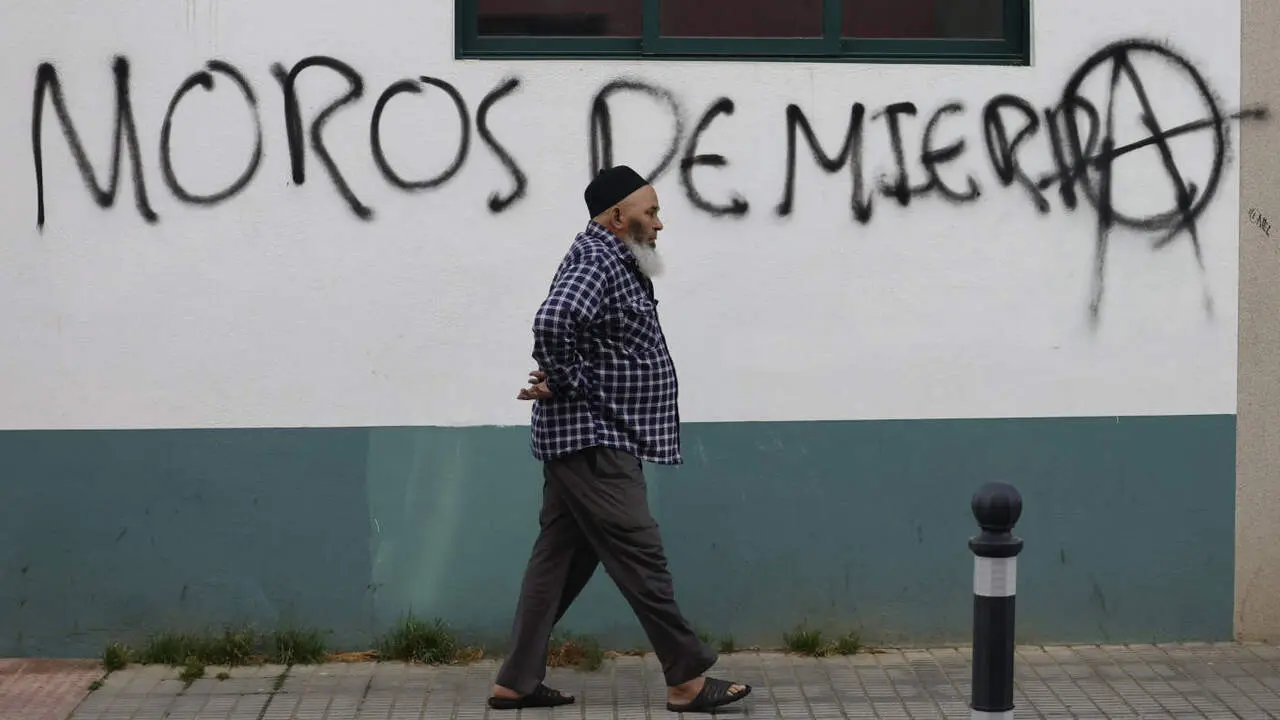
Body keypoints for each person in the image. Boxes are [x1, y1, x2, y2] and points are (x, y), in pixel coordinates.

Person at [487, 166, 751, 714]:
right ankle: (687, 679)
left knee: (558, 562)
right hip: (593, 441)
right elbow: (554, 321)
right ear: (616, 216)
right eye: (650, 212)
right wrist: (567, 380)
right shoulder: (599, 259)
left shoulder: (614, 260)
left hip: (588, 438)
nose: (659, 223)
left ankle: (516, 680)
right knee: (641, 555)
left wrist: (569, 377)